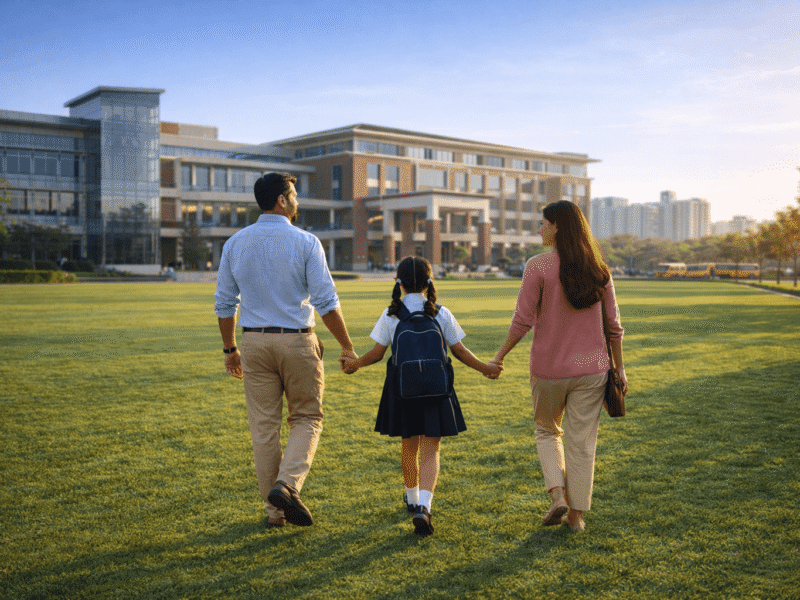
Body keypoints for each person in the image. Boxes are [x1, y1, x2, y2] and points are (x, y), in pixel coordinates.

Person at [214, 172, 358, 530]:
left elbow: (224, 303)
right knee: (307, 417)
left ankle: (275, 514)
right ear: (281, 200)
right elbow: (325, 301)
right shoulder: (306, 242)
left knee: (263, 428)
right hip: (296, 340)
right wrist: (346, 346)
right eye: (293, 195)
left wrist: (231, 349)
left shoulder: (234, 243)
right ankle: (287, 485)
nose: (296, 201)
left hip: (254, 342)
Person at [491, 201, 627, 533]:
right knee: (581, 443)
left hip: (549, 370)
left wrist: (499, 357)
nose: (539, 229)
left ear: (557, 227)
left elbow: (522, 321)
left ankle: (557, 497)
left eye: (543, 223)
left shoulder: (538, 266)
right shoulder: (599, 268)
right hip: (594, 370)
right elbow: (614, 327)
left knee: (547, 432)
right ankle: (576, 518)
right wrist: (620, 370)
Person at [342, 256, 502, 536]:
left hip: (403, 390)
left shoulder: (391, 314)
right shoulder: (440, 313)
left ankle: (412, 498)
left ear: (398, 283)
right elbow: (460, 352)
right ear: (429, 283)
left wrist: (354, 364)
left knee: (409, 446)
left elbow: (378, 354)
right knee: (431, 449)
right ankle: (424, 507)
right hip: (436, 389)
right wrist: (485, 369)